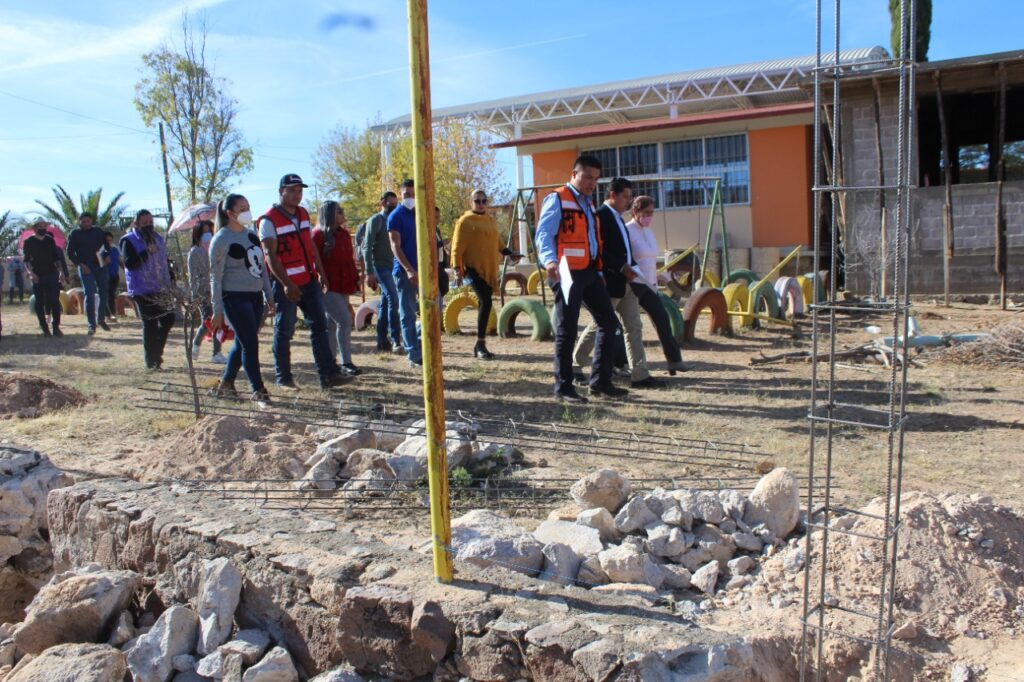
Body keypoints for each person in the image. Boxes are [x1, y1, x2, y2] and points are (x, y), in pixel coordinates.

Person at [535, 155, 627, 403]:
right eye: (587, 177)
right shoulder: (558, 198)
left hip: (589, 271)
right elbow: (544, 233)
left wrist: (598, 273)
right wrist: (550, 260)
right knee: (567, 330)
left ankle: (600, 382)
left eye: (596, 179)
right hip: (565, 272)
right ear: (574, 174)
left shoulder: (588, 203)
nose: (591, 183)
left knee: (609, 323)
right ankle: (564, 388)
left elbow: (592, 242)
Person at [259, 173, 347, 390]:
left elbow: (310, 244)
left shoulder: (303, 214)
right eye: (292, 190)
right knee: (284, 330)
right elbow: (270, 255)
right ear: (281, 192)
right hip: (286, 284)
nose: (297, 195)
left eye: (300, 191)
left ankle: (328, 376)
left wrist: (321, 272)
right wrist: (287, 284)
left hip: (308, 281)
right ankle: (284, 378)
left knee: (319, 327)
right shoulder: (268, 220)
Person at [573, 178, 663, 389]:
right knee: (600, 325)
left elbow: (625, 251)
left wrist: (633, 267)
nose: (629, 201)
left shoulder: (619, 219)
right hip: (609, 283)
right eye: (626, 197)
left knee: (634, 327)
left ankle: (639, 375)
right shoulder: (600, 217)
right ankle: (575, 365)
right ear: (613, 196)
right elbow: (599, 250)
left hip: (627, 284)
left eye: (631, 197)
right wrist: (622, 267)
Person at [209, 194, 274, 406]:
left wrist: (269, 294)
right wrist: (217, 309)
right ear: (230, 213)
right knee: (250, 343)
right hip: (234, 297)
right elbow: (215, 277)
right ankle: (258, 390)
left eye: (248, 206)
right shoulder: (221, 239)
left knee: (243, 341)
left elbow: (262, 268)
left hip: (255, 296)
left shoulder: (251, 235)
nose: (247, 211)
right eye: (242, 207)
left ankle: (226, 384)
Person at [451, 189, 517, 360]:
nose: (481, 204)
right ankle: (480, 344)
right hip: (472, 268)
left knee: (485, 303)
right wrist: (457, 270)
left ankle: (479, 345)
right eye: (477, 201)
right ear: (470, 202)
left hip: (489, 269)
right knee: (486, 302)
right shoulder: (464, 221)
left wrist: (509, 253)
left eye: (483, 201)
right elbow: (456, 247)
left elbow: (499, 242)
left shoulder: (490, 220)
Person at [626, 195, 686, 375]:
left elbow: (650, 259)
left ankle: (674, 361)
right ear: (635, 211)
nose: (650, 216)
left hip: (650, 285)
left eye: (652, 212)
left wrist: (662, 276)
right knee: (630, 326)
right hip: (633, 285)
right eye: (646, 212)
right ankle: (620, 364)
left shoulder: (648, 232)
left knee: (662, 319)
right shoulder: (627, 230)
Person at [121, 210, 175, 370]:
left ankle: (156, 352)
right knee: (150, 324)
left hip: (161, 286)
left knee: (168, 319)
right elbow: (130, 263)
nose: (148, 225)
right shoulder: (128, 240)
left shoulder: (158, 238)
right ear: (136, 224)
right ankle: (151, 361)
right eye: (144, 223)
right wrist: (146, 252)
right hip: (142, 289)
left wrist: (171, 279)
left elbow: (164, 261)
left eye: (150, 222)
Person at [313, 201, 361, 376]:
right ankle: (346, 362)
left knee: (332, 323)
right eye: (338, 211)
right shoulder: (317, 235)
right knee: (345, 320)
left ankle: (331, 362)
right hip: (327, 286)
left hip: (342, 284)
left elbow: (348, 261)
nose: (342, 213)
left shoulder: (344, 235)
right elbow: (314, 262)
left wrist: (354, 280)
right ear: (330, 214)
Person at [388, 179, 424, 367]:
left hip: (424, 271)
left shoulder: (420, 215)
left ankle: (418, 342)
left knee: (433, 307)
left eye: (412, 193)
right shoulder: (395, 216)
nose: (410, 197)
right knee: (408, 313)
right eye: (406, 194)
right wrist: (409, 270)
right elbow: (395, 246)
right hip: (404, 273)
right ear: (401, 195)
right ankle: (413, 355)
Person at [360, 191, 402, 353]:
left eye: (395, 203)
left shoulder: (395, 220)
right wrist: (369, 272)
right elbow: (367, 246)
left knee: (385, 304)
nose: (393, 206)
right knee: (393, 298)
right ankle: (396, 340)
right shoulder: (375, 220)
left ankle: (382, 340)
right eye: (390, 203)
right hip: (379, 267)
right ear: (382, 203)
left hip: (392, 268)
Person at [187, 220, 226, 364]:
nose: (208, 234)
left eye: (210, 230)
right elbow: (192, 275)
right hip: (204, 292)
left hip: (217, 290)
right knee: (208, 321)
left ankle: (217, 352)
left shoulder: (216, 248)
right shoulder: (195, 251)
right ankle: (195, 346)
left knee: (218, 321)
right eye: (204, 231)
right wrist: (195, 294)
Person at [66, 211, 111, 334]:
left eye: (88, 221)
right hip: (86, 267)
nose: (86, 224)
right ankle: (91, 324)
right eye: (83, 221)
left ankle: (101, 319)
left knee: (103, 293)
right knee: (89, 294)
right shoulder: (75, 234)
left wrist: (107, 255)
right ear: (79, 222)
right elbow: (70, 253)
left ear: (92, 221)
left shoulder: (98, 231)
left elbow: (106, 246)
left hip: (100, 265)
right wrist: (81, 264)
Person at [23, 221, 69, 337]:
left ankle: (56, 328)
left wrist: (61, 272)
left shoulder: (50, 240)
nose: (42, 228)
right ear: (34, 228)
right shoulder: (29, 242)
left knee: (54, 300)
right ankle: (45, 329)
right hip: (37, 275)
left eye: (44, 226)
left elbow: (56, 258)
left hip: (51, 274)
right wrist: (31, 273)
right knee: (40, 302)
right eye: (40, 226)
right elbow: (26, 260)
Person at [103, 231, 121, 322]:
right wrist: (104, 262)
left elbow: (119, 260)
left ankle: (111, 314)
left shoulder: (115, 249)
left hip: (115, 275)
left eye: (110, 240)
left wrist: (125, 269)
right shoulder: (101, 251)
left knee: (112, 295)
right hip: (105, 276)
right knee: (108, 295)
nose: (109, 242)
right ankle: (109, 315)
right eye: (107, 240)